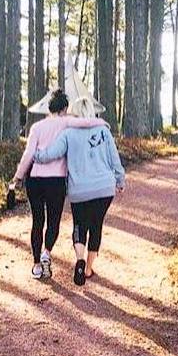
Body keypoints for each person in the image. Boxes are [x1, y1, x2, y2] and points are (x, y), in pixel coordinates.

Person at [11, 90, 107, 280]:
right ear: (64, 108)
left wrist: (18, 176)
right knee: (53, 221)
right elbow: (86, 122)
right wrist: (101, 123)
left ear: (50, 108)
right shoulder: (66, 122)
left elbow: (28, 155)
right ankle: (47, 252)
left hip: (35, 179)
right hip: (56, 181)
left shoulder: (37, 127)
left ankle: (37, 265)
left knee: (37, 221)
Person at [34, 97, 125, 286]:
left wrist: (35, 155)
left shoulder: (68, 133)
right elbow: (114, 159)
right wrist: (120, 180)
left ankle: (79, 259)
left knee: (79, 226)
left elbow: (52, 153)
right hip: (104, 188)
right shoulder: (104, 131)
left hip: (79, 190)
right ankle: (89, 268)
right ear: (92, 111)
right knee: (96, 226)